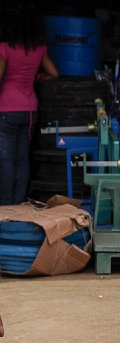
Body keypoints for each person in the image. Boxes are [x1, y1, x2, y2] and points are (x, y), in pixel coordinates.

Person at [0, 2, 59, 205]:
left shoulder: (5, 48)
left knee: (6, 157)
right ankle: (19, 201)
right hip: (30, 109)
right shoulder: (39, 49)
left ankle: (6, 203)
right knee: (23, 158)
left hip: (6, 108)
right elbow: (54, 73)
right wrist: (39, 78)